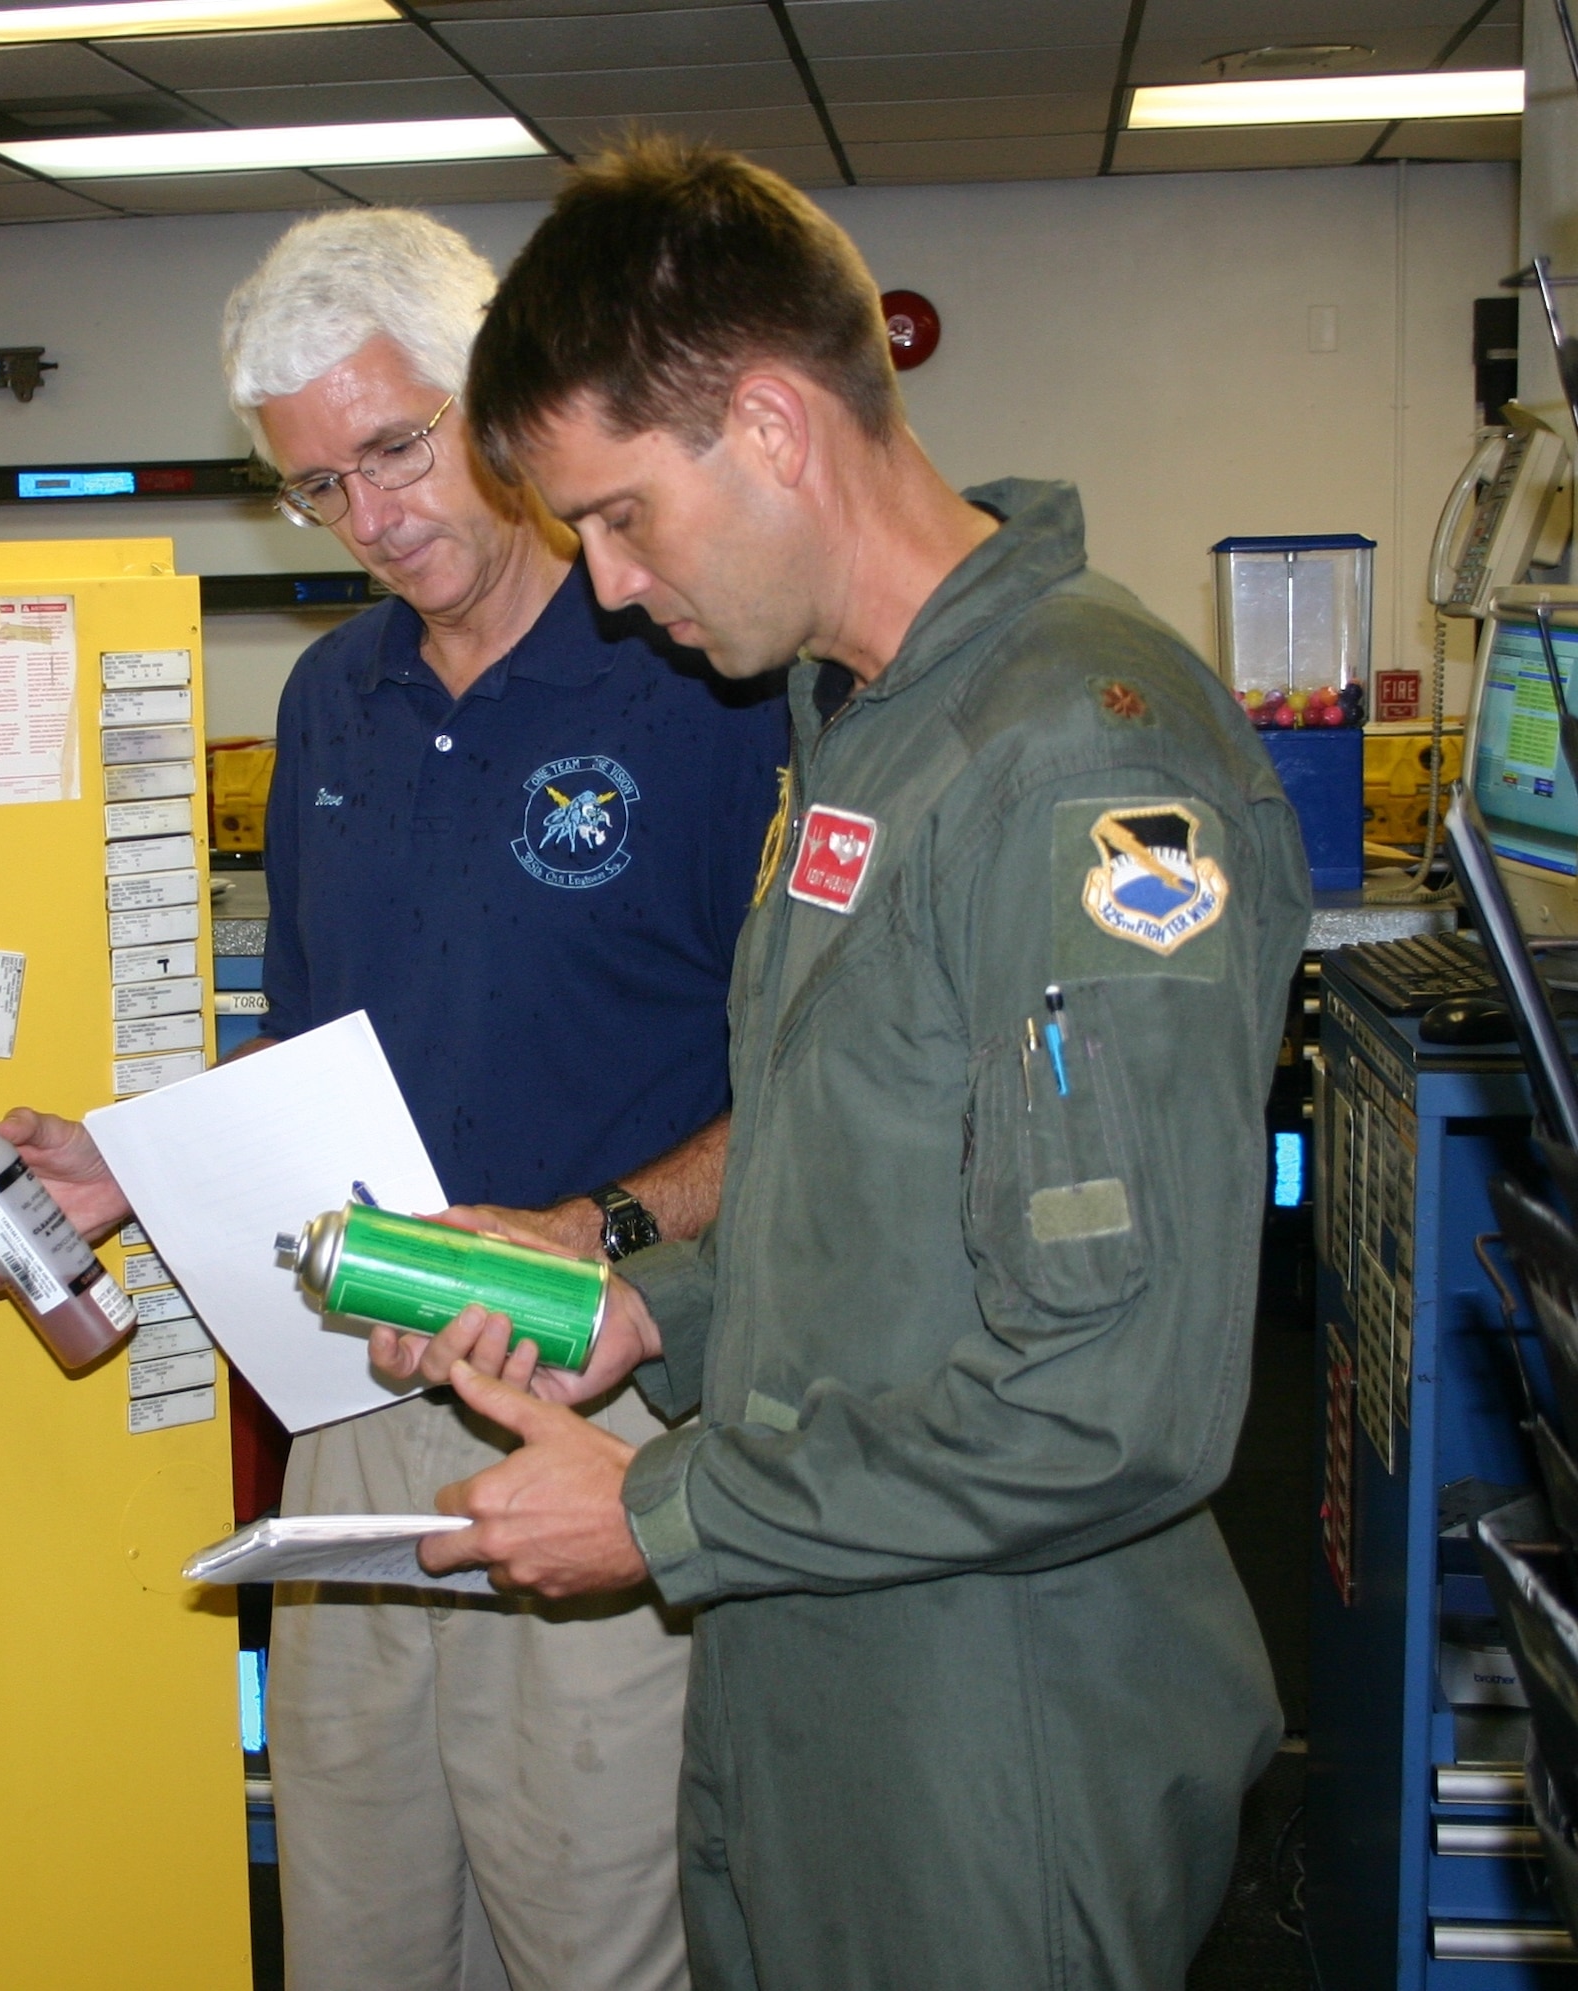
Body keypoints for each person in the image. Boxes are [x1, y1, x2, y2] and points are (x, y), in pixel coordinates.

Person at [393, 142, 1312, 1990]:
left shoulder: (1067, 766)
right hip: (815, 1675)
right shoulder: (868, 737)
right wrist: (638, 1308)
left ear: (775, 424)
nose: (612, 586)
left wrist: (657, 1507)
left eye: (627, 517)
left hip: (995, 1735)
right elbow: (873, 1205)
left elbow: (1110, 1402)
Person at [0, 205, 788, 1991]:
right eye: (319, 487)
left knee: (599, 1933)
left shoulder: (698, 678)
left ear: (502, 399)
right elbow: (316, 1068)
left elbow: (814, 1090)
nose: (371, 518)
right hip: (355, 1404)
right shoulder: (335, 702)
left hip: (601, 1396)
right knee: (365, 1933)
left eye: (397, 449)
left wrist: (593, 1233)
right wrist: (129, 1173)